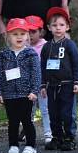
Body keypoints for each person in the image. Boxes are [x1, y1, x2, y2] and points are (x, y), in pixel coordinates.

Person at [0, 18, 41, 153]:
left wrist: (34, 90)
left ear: (27, 35)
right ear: (8, 36)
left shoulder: (31, 54)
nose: (19, 37)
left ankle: (31, 147)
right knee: (13, 122)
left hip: (26, 94)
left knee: (27, 120)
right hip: (9, 95)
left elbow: (36, 73)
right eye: (15, 34)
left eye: (22, 33)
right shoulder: (3, 55)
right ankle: (13, 146)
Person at [40, 7, 78, 151]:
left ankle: (69, 138)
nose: (58, 28)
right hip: (51, 86)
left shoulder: (70, 45)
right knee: (53, 112)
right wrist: (43, 85)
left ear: (67, 27)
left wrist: (77, 82)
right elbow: (43, 66)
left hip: (67, 85)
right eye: (54, 25)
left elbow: (76, 64)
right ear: (49, 27)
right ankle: (57, 137)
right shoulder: (46, 47)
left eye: (62, 25)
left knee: (67, 113)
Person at [26, 15, 52, 145]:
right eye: (27, 32)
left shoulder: (47, 46)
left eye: (33, 31)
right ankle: (28, 132)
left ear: (41, 32)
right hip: (27, 84)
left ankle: (48, 133)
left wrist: (46, 82)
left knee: (45, 109)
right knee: (28, 110)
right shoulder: (23, 47)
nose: (30, 35)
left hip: (42, 83)